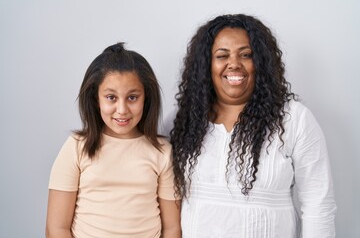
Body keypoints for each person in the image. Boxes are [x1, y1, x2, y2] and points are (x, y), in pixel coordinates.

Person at [166, 14, 336, 237]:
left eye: (246, 55)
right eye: (222, 55)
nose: (234, 64)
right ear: (206, 65)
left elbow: (318, 204)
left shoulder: (294, 119)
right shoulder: (182, 121)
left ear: (261, 63)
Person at [46, 43, 181, 238]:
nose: (122, 109)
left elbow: (172, 228)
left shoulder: (162, 152)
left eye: (132, 97)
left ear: (146, 98)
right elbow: (56, 228)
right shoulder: (76, 147)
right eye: (111, 97)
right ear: (96, 99)